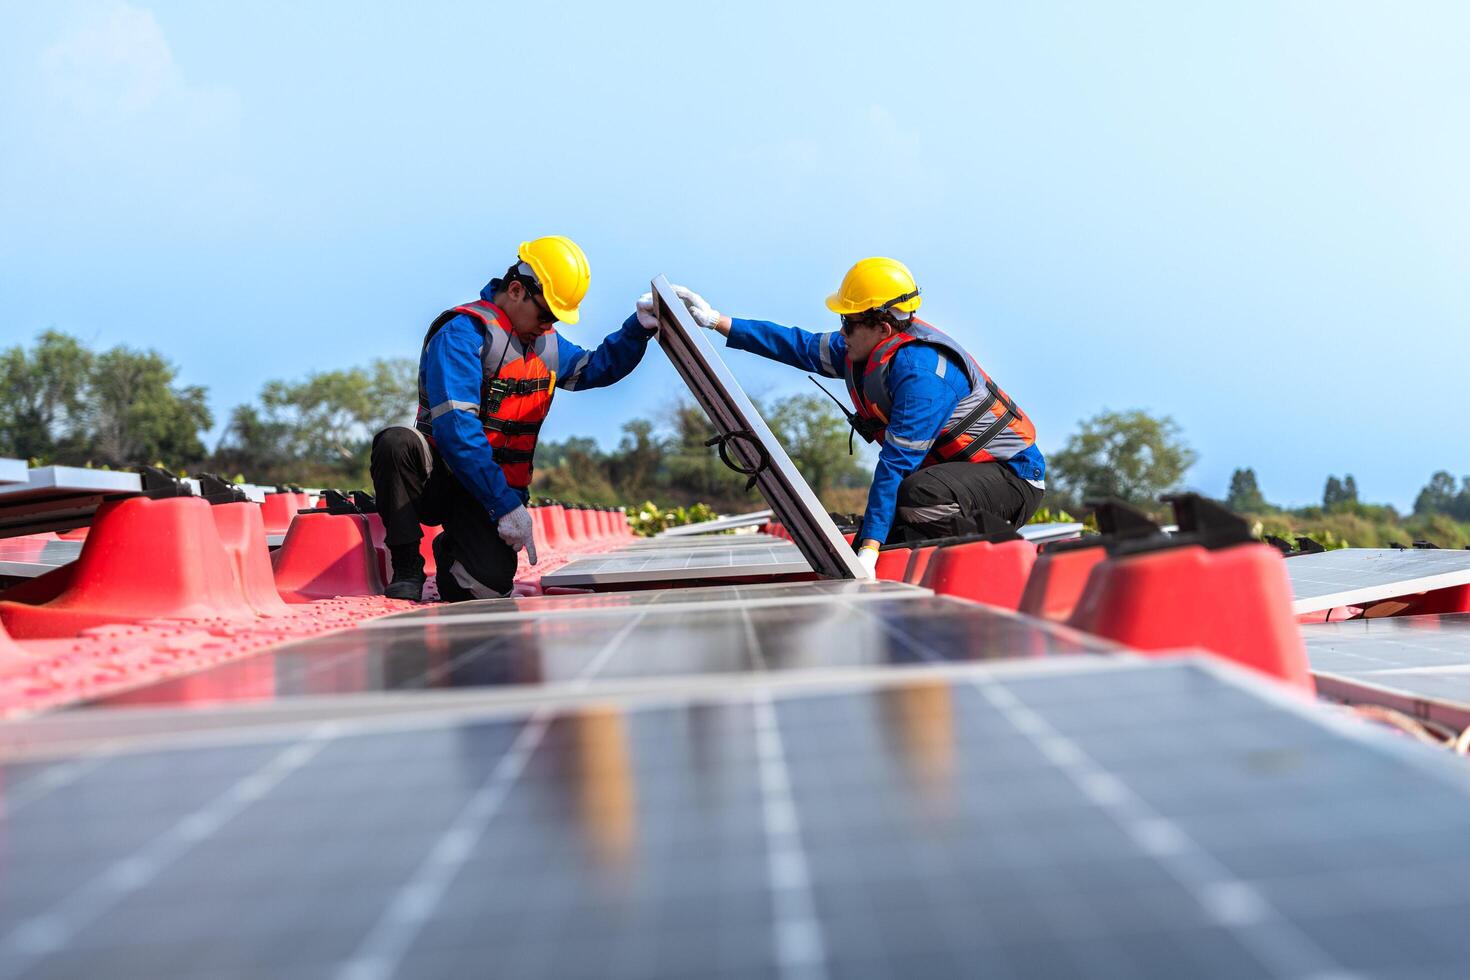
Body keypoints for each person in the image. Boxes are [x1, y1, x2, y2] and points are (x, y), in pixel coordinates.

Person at [648, 257, 1045, 574]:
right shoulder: (860, 347)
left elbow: (895, 466)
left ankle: (999, 560)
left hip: (1011, 480)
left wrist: (871, 549)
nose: (842, 331)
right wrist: (717, 321)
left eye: (850, 322)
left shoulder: (923, 376)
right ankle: (907, 541)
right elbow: (796, 344)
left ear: (884, 326)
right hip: (953, 477)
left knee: (919, 496)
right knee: (893, 513)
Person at [372, 236, 658, 600]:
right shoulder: (461, 334)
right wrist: (505, 505)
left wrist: (637, 329)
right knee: (396, 443)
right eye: (546, 314)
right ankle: (407, 565)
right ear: (517, 289)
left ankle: (453, 548)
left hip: (485, 492)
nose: (549, 324)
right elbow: (457, 430)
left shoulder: (546, 344)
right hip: (439, 479)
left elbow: (596, 367)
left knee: (483, 588)